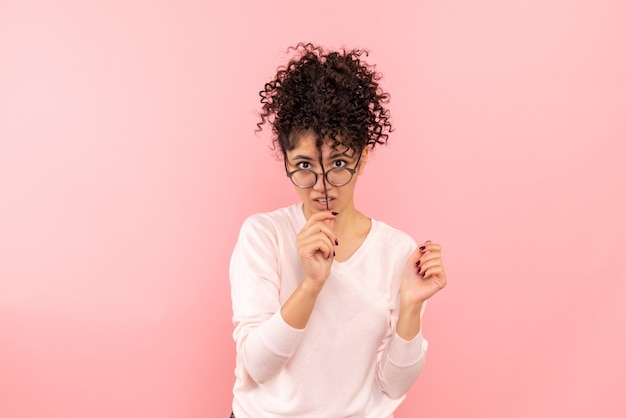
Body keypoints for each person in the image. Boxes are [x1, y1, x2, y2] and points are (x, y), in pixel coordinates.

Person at [229, 43, 447, 418]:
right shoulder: (263, 236)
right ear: (285, 161)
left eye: (339, 162)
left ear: (362, 158)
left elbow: (393, 385)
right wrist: (311, 285)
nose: (322, 186)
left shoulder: (397, 251)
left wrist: (412, 304)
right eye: (303, 165)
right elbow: (259, 366)